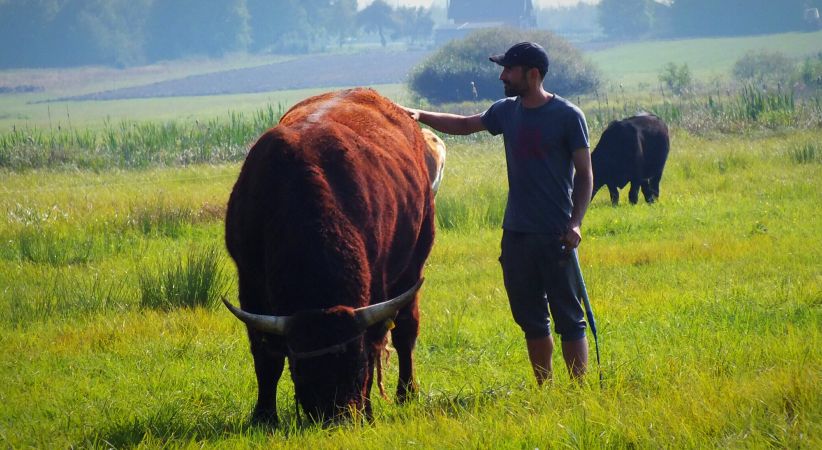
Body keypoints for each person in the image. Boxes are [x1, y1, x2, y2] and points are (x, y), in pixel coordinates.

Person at [403, 42, 593, 385]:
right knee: (530, 317)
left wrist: (575, 222)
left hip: (556, 234)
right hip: (516, 234)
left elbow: (585, 174)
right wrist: (420, 115)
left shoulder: (568, 116)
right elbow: (464, 124)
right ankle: (544, 388)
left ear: (532, 74)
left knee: (569, 317)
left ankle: (579, 391)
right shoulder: (506, 111)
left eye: (509, 70)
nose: (503, 76)